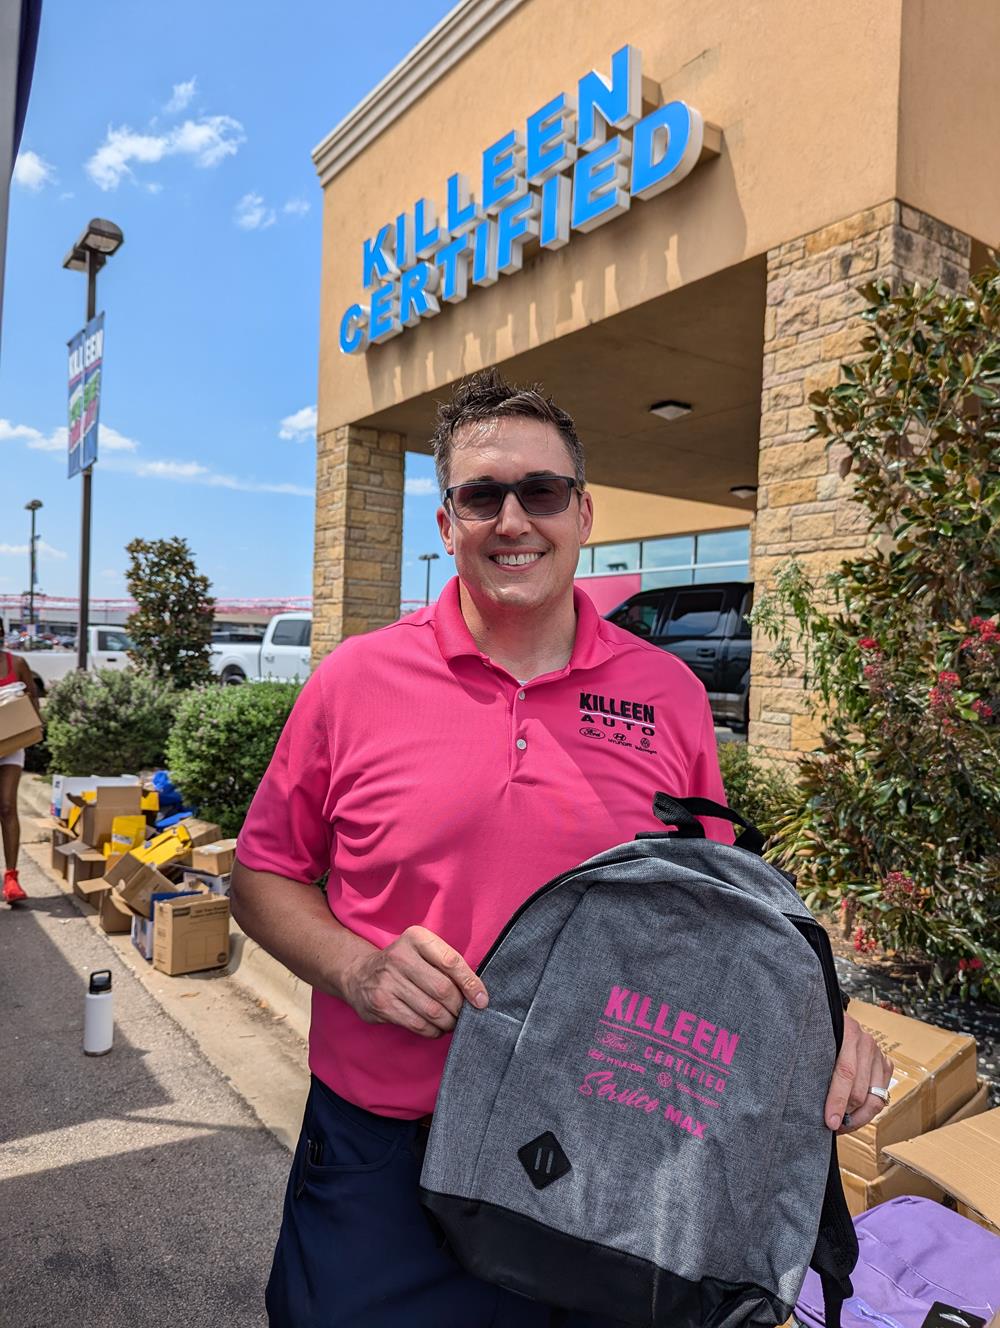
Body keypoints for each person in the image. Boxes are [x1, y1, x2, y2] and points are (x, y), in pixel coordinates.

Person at [231, 369, 892, 1328]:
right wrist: (357, 968)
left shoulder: (667, 691)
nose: (513, 520)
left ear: (584, 514)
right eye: (481, 496)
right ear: (448, 523)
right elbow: (261, 875)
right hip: (384, 1147)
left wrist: (819, 1020)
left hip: (592, 1156)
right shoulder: (354, 680)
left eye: (540, 492)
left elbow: (716, 917)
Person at [1, 648, 42, 904]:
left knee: (6, 806)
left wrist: (33, 721)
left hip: (11, 744)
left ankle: (11, 878)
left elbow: (32, 697)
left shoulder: (16, 663)